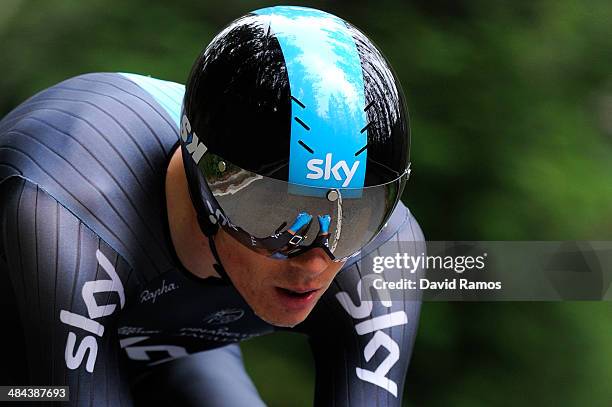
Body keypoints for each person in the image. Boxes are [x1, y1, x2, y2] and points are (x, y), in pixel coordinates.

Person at [0, 5, 424, 406]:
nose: (315, 262)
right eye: (276, 215)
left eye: (352, 219)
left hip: (170, 350)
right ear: (202, 179)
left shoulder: (385, 249)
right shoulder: (70, 206)